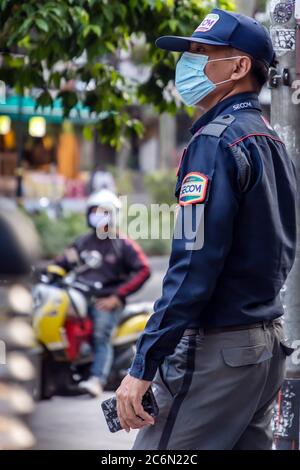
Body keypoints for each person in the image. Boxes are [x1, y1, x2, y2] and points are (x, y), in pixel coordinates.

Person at [116, 8, 298, 449]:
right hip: (263, 350)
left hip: (217, 354)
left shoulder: (214, 142)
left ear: (238, 67)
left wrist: (143, 364)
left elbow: (193, 267)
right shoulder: (271, 141)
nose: (188, 63)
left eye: (201, 52)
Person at [55, 189, 150, 397]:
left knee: (101, 335)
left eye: (103, 211)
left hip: (105, 302)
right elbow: (62, 263)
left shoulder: (122, 244)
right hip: (77, 298)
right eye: (95, 211)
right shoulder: (82, 242)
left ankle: (97, 379)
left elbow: (144, 269)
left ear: (114, 214)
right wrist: (53, 271)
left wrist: (117, 296)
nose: (98, 215)